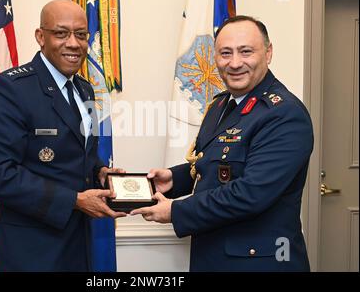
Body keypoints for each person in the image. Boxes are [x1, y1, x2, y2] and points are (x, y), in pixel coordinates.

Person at [131, 16, 314, 272]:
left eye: (246, 51)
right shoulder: (221, 105)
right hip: (214, 256)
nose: (235, 63)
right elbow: (217, 165)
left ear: (268, 53)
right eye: (225, 53)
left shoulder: (283, 114)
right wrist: (174, 178)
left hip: (260, 264)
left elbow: (251, 193)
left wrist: (177, 211)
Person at [0, 0, 126, 272]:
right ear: (40, 37)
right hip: (31, 252)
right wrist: (75, 200)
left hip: (78, 246)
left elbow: (80, 155)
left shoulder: (84, 90)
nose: (73, 43)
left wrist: (100, 171)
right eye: (61, 33)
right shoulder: (11, 89)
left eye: (81, 35)